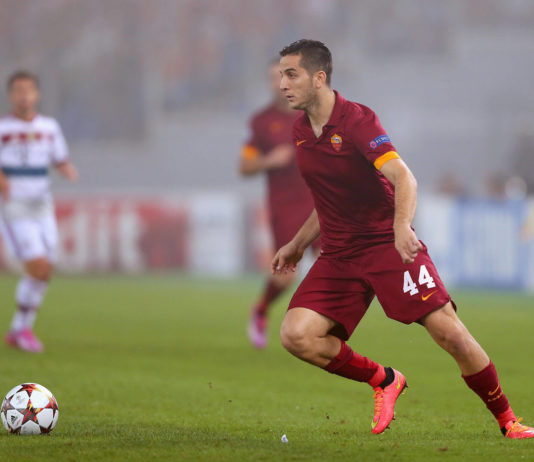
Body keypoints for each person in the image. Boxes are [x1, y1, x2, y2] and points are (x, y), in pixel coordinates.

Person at [272, 39, 534, 439]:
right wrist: (297, 244)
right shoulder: (300, 132)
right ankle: (385, 380)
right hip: (340, 254)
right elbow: (328, 200)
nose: (282, 84)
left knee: (450, 334)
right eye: (281, 75)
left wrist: (401, 227)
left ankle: (508, 420)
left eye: (292, 75)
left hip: (387, 244)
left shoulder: (358, 121)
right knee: (297, 335)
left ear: (319, 77)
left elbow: (404, 177)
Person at [240, 60, 317, 349]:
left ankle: (322, 325)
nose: (281, 82)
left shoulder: (314, 114)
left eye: (287, 76)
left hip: (320, 205)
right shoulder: (261, 122)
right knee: (286, 278)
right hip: (285, 208)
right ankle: (261, 310)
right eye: (275, 77)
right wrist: (269, 160)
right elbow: (245, 166)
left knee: (334, 263)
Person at [0, 71, 78, 353]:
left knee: (47, 267)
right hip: (14, 205)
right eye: (18, 90)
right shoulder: (3, 128)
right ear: (11, 95)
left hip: (42, 204)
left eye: (29, 90)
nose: (24, 96)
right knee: (38, 265)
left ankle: (19, 330)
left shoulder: (49, 127)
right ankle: (21, 329)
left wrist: (66, 168)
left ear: (37, 95)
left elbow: (59, 158)